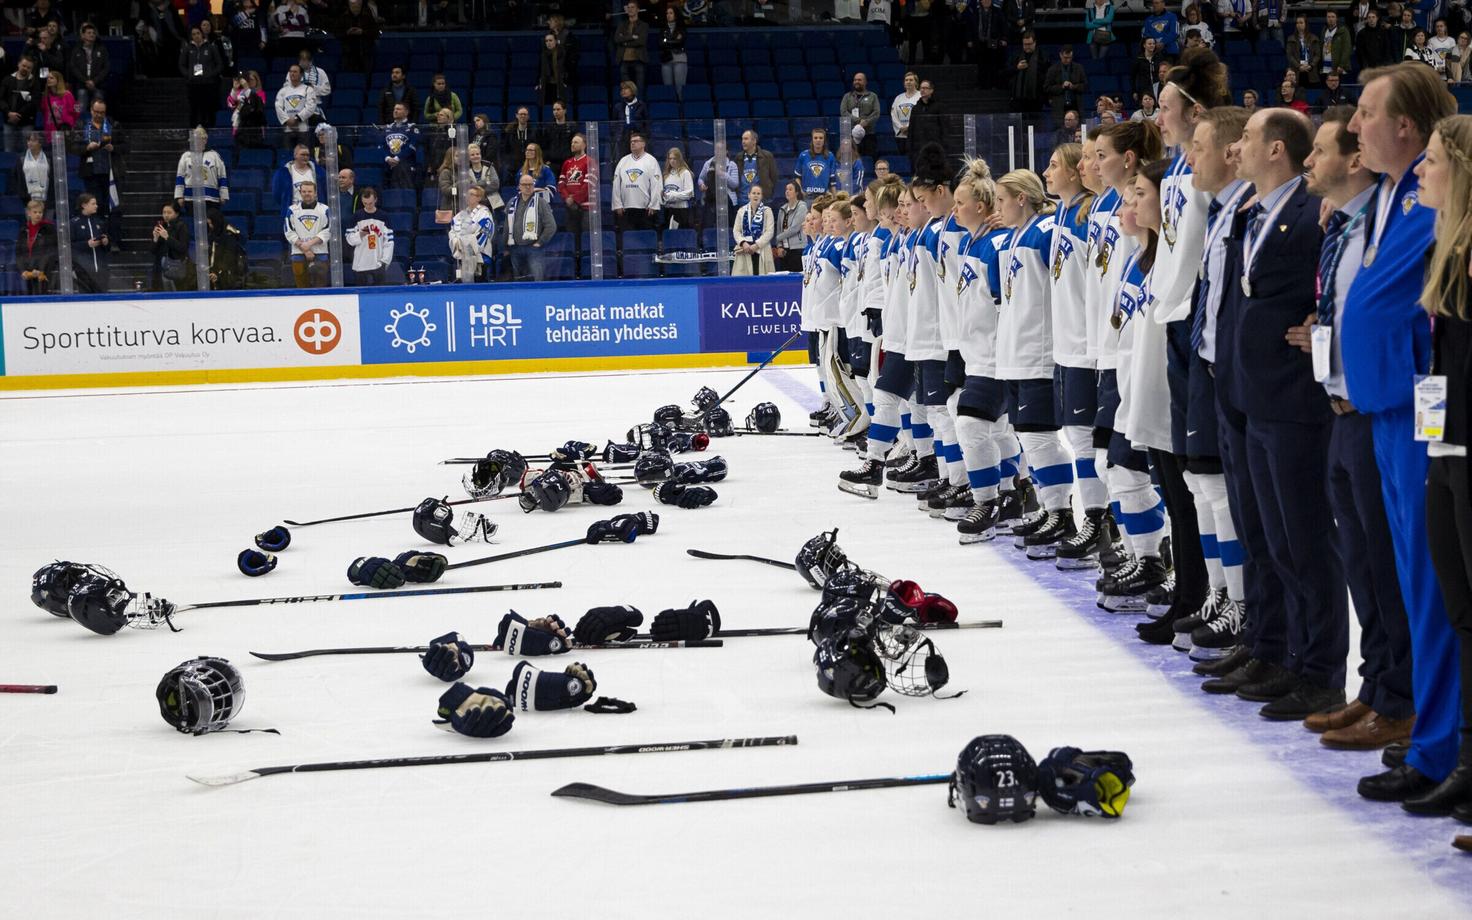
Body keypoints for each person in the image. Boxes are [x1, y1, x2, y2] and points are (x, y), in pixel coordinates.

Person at [1270, 106, 1415, 750]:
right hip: (1340, 408)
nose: (1308, 161)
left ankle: (1402, 700)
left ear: (1355, 159)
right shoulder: (1348, 225)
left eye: (1320, 150)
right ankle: (1377, 686)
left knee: (1385, 566)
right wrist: (1322, 333)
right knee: (1362, 564)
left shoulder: (1386, 219)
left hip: (1377, 410)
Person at [1343, 63, 1462, 806]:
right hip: (1390, 410)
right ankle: (1431, 730)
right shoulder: (1393, 196)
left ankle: (1441, 744)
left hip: (1424, 411)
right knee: (1413, 582)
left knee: (1430, 583)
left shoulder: (1435, 197)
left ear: (1407, 127)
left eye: (1366, 112)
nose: (1355, 125)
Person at [1414, 114, 1472, 833]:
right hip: (1446, 445)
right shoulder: (1444, 247)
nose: (1421, 173)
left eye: (1432, 161)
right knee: (1463, 616)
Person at [503, 173, 556, 281]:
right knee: (518, 281)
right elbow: (506, 226)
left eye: (530, 184)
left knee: (537, 280)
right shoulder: (512, 203)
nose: (527, 187)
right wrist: (506, 247)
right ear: (519, 186)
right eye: (524, 184)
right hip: (515, 248)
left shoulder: (541, 203)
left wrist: (539, 242)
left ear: (533, 186)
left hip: (534, 249)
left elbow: (551, 226)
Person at [612, 130, 662, 235]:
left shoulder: (651, 161)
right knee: (628, 237)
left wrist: (654, 204)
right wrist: (617, 204)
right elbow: (616, 184)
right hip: (626, 209)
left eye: (636, 141)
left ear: (643, 144)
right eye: (631, 141)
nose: (632, 143)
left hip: (645, 209)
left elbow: (656, 185)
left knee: (645, 237)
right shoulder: (623, 161)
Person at [284, 179, 328, 288]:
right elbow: (288, 231)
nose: (307, 194)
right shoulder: (292, 210)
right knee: (301, 287)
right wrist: (305, 249)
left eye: (309, 191)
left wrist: (308, 244)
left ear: (315, 193)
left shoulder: (324, 209)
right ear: (300, 193)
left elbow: (327, 230)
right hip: (298, 252)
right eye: (304, 191)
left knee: (321, 287)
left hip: (320, 252)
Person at [345, 186, 393, 285]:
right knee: (361, 291)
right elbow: (349, 239)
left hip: (378, 263)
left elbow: (389, 241)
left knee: (379, 291)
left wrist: (385, 261)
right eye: (365, 203)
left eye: (370, 203)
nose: (368, 206)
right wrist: (359, 235)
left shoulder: (383, 217)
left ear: (375, 200)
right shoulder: (356, 217)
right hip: (360, 264)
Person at [173, 126, 229, 211]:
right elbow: (180, 177)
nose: (196, 142)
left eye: (199, 139)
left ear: (205, 140)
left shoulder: (215, 156)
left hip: (211, 197)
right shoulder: (186, 156)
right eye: (194, 139)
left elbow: (222, 176)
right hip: (190, 197)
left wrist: (223, 195)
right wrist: (179, 196)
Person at [559, 132, 591, 275]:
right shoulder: (567, 163)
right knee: (572, 238)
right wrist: (567, 198)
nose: (573, 144)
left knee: (585, 238)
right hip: (570, 207)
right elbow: (561, 183)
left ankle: (587, 269)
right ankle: (574, 269)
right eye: (572, 142)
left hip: (586, 208)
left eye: (576, 142)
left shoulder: (589, 161)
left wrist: (575, 199)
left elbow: (589, 184)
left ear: (584, 145)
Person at [179, 26, 223, 129]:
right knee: (194, 109)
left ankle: (210, 131)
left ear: (202, 34)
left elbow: (219, 64)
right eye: (193, 34)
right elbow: (181, 64)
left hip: (208, 84)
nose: (196, 36)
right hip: (193, 84)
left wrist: (211, 74)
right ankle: (193, 131)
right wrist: (188, 74)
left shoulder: (211, 47)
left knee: (208, 109)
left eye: (198, 33)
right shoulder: (187, 49)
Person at [450, 183, 494, 282]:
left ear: (479, 198)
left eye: (471, 194)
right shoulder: (460, 215)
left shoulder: (484, 213)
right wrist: (458, 244)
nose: (468, 197)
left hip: (481, 257)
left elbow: (484, 234)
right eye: (467, 194)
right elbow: (453, 232)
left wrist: (469, 248)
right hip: (461, 256)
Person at [78, 99, 114, 218]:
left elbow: (125, 146)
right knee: (95, 204)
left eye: (102, 112)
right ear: (91, 110)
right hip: (91, 172)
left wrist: (113, 148)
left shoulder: (112, 125)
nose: (99, 115)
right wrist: (87, 147)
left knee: (110, 206)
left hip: (109, 171)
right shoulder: (82, 126)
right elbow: (73, 147)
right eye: (96, 112)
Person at [66, 21, 108, 117]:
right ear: (83, 35)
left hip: (97, 85)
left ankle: (98, 126)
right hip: (81, 84)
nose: (92, 35)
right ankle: (80, 125)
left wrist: (94, 81)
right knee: (80, 109)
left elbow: (106, 68)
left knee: (99, 109)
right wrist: (85, 81)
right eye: (89, 33)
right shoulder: (76, 50)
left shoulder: (101, 49)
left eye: (93, 33)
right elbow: (73, 67)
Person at [69, 192, 109, 293]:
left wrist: (105, 242)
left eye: (96, 203)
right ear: (84, 205)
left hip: (100, 268)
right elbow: (70, 246)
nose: (96, 206)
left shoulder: (99, 222)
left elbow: (107, 247)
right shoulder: (74, 223)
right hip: (83, 269)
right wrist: (86, 244)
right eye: (93, 204)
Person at [732, 184, 775, 275]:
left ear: (762, 196)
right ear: (749, 195)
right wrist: (743, 243)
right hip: (745, 250)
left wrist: (756, 245)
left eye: (758, 193)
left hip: (761, 249)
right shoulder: (741, 211)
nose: (756, 195)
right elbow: (736, 231)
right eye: (753, 193)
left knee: (762, 280)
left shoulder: (767, 211)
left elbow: (769, 232)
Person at [272, 143, 325, 215]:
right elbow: (276, 194)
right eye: (302, 155)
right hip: (293, 213)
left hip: (315, 212)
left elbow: (324, 191)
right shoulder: (282, 173)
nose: (305, 157)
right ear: (295, 155)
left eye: (307, 155)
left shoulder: (319, 172)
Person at [18, 198, 57, 294]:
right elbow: (19, 252)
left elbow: (51, 251)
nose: (38, 214)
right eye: (35, 212)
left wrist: (40, 269)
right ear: (29, 213)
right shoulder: (23, 230)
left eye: (40, 212)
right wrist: (23, 270)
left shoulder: (48, 228)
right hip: (28, 271)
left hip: (44, 270)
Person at [275, 63, 318, 150]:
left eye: (295, 72)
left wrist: (297, 118)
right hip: (288, 129)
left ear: (301, 74)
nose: (292, 74)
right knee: (287, 155)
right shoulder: (283, 91)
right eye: (290, 72)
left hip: (303, 129)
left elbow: (310, 107)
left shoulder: (308, 89)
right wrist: (287, 120)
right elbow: (278, 107)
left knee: (303, 153)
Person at [2, 56, 38, 153]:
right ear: (18, 64)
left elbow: (34, 102)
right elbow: (1, 99)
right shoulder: (7, 79)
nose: (25, 68)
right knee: (8, 151)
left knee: (28, 152)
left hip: (27, 123)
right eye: (24, 65)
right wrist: (8, 113)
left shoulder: (35, 82)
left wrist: (17, 115)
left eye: (28, 67)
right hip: (8, 121)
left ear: (31, 69)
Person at [152, 199, 191, 291]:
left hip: (176, 266)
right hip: (162, 266)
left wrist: (167, 237)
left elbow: (183, 247)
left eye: (169, 212)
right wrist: (155, 238)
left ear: (176, 214)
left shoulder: (182, 226)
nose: (166, 215)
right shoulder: (162, 226)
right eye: (164, 212)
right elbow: (153, 251)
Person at [840, 72, 881, 156]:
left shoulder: (873, 96)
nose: (856, 82)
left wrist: (866, 122)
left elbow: (876, 113)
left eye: (859, 80)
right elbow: (843, 112)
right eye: (855, 80)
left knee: (870, 159)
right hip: (851, 135)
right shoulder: (847, 96)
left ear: (865, 82)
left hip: (869, 134)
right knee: (853, 160)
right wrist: (859, 121)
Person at [614, 0, 650, 96]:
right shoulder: (622, 24)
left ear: (638, 9)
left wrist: (625, 42)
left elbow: (641, 41)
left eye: (632, 7)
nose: (630, 9)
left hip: (638, 60)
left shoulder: (644, 25)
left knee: (640, 88)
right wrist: (632, 37)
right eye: (628, 7)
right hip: (624, 60)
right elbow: (617, 39)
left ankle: (639, 104)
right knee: (626, 89)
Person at [380, 103, 419, 190]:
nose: (395, 111)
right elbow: (381, 145)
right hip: (388, 166)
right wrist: (387, 158)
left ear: (406, 112)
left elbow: (412, 146)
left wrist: (398, 158)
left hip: (405, 166)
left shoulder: (412, 127)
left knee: (406, 191)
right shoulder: (387, 128)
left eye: (398, 109)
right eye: (394, 109)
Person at [1045, 46, 1088, 120]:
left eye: (1070, 57)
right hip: (1059, 107)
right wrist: (1061, 87)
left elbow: (1085, 86)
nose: (1068, 60)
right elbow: (1047, 88)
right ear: (1060, 55)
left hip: (1075, 105)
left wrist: (1073, 86)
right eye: (1065, 57)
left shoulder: (1079, 68)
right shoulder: (1052, 69)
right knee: (1059, 126)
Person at [972, 0, 1008, 89]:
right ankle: (982, 84)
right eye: (984, 0)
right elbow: (971, 26)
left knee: (993, 63)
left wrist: (1003, 38)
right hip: (980, 42)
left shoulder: (997, 11)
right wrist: (970, 39)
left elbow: (1003, 25)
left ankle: (993, 84)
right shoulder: (976, 12)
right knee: (981, 64)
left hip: (993, 41)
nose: (986, 1)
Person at [206, 209, 245, 291]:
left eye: (211, 223)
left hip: (229, 275)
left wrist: (218, 273)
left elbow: (229, 258)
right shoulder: (213, 234)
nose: (210, 226)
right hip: (216, 273)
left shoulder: (229, 235)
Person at [773, 179, 808, 272]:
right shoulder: (782, 209)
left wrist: (777, 238)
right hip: (784, 250)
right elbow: (779, 229)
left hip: (798, 249)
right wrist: (779, 246)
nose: (787, 191)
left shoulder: (802, 207)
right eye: (786, 189)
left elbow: (794, 229)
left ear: (797, 192)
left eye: (790, 189)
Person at [795, 128, 837, 200]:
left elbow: (832, 181)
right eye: (815, 138)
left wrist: (835, 198)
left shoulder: (830, 156)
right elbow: (797, 177)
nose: (818, 140)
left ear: (824, 140)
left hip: (824, 197)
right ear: (812, 140)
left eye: (821, 138)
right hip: (807, 196)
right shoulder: (803, 155)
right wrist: (801, 191)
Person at [338, 0, 380, 74]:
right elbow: (337, 32)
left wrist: (362, 32)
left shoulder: (367, 17)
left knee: (367, 74)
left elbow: (375, 32)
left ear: (360, 5)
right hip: (348, 53)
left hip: (365, 52)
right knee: (349, 75)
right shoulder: (344, 17)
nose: (354, 7)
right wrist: (347, 32)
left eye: (356, 5)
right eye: (352, 5)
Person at [737, 129, 778, 202]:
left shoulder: (767, 156)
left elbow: (774, 177)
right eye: (742, 139)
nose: (743, 141)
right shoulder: (738, 157)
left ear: (754, 141)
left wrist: (768, 193)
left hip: (762, 200)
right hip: (742, 200)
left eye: (746, 139)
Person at [1010, 31, 1046, 112]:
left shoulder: (1042, 56)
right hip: (1019, 98)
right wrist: (1017, 68)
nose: (1027, 47)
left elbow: (1046, 76)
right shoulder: (1017, 55)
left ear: (1035, 43)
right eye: (1025, 44)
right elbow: (1006, 72)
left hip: (1036, 98)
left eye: (1029, 44)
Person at [908, 79, 946, 156]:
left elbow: (944, 126)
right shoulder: (915, 108)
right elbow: (911, 128)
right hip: (919, 147)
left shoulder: (939, 106)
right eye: (921, 88)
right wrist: (910, 146)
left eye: (925, 88)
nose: (922, 90)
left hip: (935, 146)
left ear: (931, 90)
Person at [662, 147, 695, 231]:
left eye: (674, 158)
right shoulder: (666, 174)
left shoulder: (685, 173)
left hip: (681, 210)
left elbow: (689, 193)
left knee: (680, 234)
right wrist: (665, 197)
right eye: (670, 158)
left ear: (679, 159)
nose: (672, 161)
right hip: (668, 210)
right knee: (669, 234)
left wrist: (672, 195)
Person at [229, 70, 267, 144]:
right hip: (239, 127)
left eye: (252, 79)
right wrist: (234, 89)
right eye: (248, 80)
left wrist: (246, 88)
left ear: (257, 81)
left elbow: (256, 106)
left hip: (254, 129)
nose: (249, 82)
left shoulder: (260, 94)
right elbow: (231, 104)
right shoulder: (240, 92)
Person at [659, 6, 687, 102]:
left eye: (671, 13)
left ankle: (681, 107)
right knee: (668, 88)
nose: (668, 15)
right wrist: (673, 40)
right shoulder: (663, 29)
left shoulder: (681, 28)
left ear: (676, 15)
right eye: (667, 13)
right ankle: (670, 107)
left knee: (679, 88)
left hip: (679, 59)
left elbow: (680, 41)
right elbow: (660, 43)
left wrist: (667, 41)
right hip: (666, 59)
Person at [539, 100, 575, 167]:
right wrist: (545, 160)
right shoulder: (548, 127)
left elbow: (574, 145)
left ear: (564, 111)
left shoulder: (572, 126)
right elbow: (544, 145)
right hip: (552, 162)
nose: (556, 112)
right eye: (554, 110)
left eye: (558, 109)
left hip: (568, 161)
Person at [890, 71, 920, 154]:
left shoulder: (920, 96)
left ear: (916, 82)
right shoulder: (898, 98)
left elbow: (920, 115)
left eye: (911, 80)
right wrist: (900, 127)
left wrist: (909, 127)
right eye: (906, 80)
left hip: (915, 135)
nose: (908, 82)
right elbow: (894, 115)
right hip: (901, 135)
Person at [16, 130, 47, 208]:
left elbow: (52, 177)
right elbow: (18, 178)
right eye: (28, 140)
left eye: (33, 140)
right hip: (28, 199)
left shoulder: (48, 158)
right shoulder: (21, 159)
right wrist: (23, 195)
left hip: (47, 199)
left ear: (40, 143)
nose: (30, 143)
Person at [502, 105, 535, 179]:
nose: (523, 116)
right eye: (521, 114)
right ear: (516, 115)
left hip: (530, 163)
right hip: (513, 166)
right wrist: (509, 162)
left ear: (528, 116)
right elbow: (505, 149)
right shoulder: (509, 132)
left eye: (525, 114)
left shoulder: (534, 131)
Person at [537, 32, 568, 108]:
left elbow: (567, 68)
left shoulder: (562, 53)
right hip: (548, 84)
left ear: (556, 41)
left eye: (550, 40)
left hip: (560, 83)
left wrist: (565, 80)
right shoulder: (543, 55)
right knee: (548, 106)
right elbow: (540, 70)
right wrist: (538, 82)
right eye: (546, 41)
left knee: (560, 106)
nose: (548, 43)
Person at [1321, 10, 1352, 79]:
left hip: (1338, 67)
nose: (1330, 19)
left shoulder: (1343, 31)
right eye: (1328, 17)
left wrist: (1341, 65)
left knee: (1337, 84)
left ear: (1336, 18)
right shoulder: (1324, 30)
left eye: (1333, 17)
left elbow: (1347, 49)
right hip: (1326, 65)